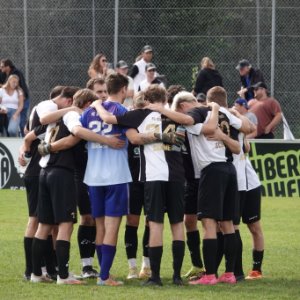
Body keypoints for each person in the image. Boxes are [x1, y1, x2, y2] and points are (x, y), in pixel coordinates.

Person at [149, 86, 255, 285]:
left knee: (209, 224)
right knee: (228, 224)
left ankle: (209, 275)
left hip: (211, 171)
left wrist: (161, 109)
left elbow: (199, 126)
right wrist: (222, 116)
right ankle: (230, 273)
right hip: (229, 170)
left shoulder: (195, 116)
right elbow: (246, 131)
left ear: (185, 105)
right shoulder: (224, 112)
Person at [92, 84, 189, 286]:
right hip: (177, 176)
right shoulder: (175, 115)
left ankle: (155, 277)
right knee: (177, 223)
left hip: (154, 176)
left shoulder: (140, 114)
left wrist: (98, 105)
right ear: (164, 98)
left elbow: (108, 119)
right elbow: (185, 131)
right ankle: (177, 276)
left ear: (146, 98)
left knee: (155, 224)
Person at [80, 74, 132, 286]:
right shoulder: (122, 111)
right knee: (112, 228)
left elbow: (80, 133)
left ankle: (105, 273)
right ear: (123, 90)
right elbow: (133, 137)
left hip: (93, 176)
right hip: (116, 175)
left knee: (100, 227)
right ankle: (104, 277)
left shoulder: (89, 112)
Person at [123, 92, 151, 280]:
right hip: (133, 182)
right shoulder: (129, 125)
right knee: (132, 222)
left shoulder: (154, 123)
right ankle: (132, 267)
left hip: (151, 181)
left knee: (151, 223)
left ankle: (146, 266)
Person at [0, 59, 30, 136]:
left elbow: (20, 87)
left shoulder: (16, 73)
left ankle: (23, 138)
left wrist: (20, 98)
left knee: (21, 122)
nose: (1, 68)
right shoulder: (3, 74)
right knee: (5, 125)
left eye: (2, 66)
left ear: (8, 67)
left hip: (21, 99)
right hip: (6, 106)